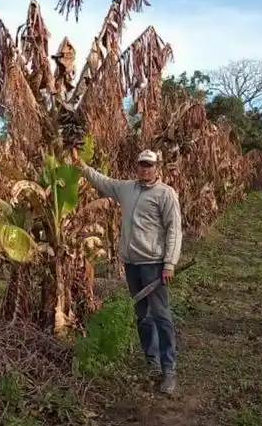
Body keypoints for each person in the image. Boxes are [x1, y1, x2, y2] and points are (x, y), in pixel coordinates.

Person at [72, 148, 182, 395]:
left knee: (162, 316)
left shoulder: (165, 194)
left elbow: (174, 230)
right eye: (141, 164)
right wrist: (81, 166)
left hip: (153, 264)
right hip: (131, 264)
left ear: (157, 167)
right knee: (142, 316)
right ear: (137, 166)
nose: (145, 169)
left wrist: (169, 263)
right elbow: (104, 182)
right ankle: (152, 365)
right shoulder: (127, 188)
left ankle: (169, 371)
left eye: (149, 165)